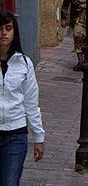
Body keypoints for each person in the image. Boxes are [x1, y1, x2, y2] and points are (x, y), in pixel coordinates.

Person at [0, 11, 45, 184]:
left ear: (14, 32)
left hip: (15, 135)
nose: (3, 33)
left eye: (8, 28)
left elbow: (31, 104)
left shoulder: (24, 64)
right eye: (0, 28)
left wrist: (38, 138)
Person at [61, 0, 87, 70]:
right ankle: (81, 62)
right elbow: (65, 4)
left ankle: (87, 59)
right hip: (78, 17)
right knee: (78, 36)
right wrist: (63, 18)